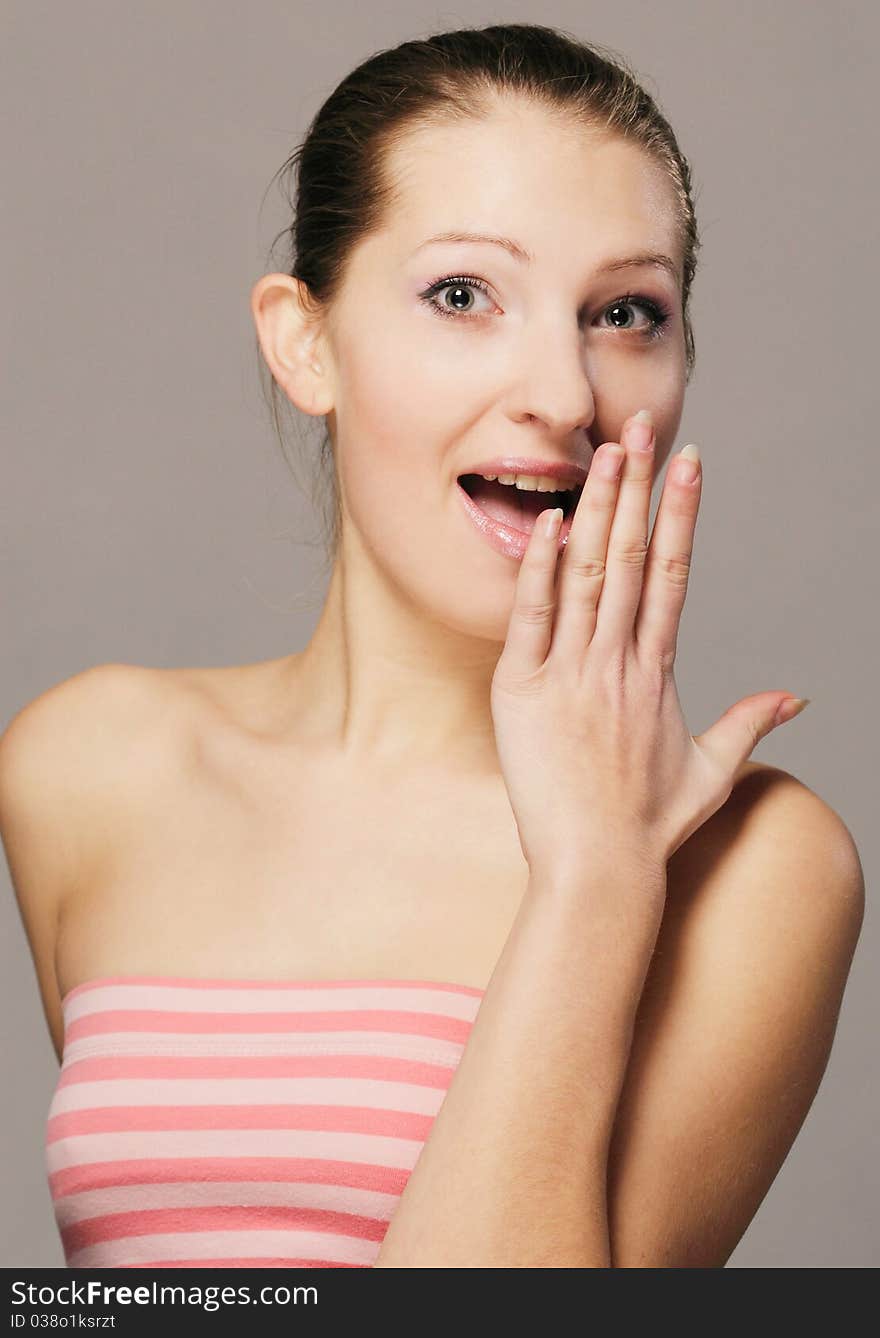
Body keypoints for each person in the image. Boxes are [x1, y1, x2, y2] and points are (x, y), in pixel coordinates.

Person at [0, 23, 863, 1269]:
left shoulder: (753, 871)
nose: (564, 395)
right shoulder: (87, 771)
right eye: (463, 296)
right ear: (306, 340)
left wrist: (593, 875)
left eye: (626, 312)